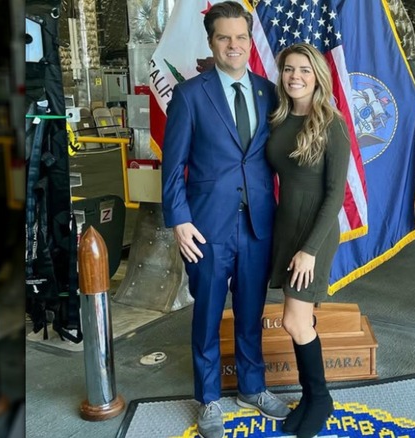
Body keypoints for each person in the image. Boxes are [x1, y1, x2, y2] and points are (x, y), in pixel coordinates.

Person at [160, 2, 289, 437]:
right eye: (223, 38)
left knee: (251, 313)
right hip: (206, 228)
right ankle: (209, 398)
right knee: (208, 316)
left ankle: (253, 388)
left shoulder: (268, 92)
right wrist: (179, 220)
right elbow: (173, 165)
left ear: (248, 40)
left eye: (240, 37)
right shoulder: (190, 95)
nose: (233, 45)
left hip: (257, 225)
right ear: (211, 41)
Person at [266, 43, 351, 438]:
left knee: (294, 319)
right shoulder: (280, 119)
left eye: (303, 69)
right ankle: (312, 396)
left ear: (317, 75)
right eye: (288, 69)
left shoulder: (331, 123)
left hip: (314, 234)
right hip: (285, 227)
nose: (294, 76)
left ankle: (320, 398)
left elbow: (335, 194)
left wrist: (309, 250)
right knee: (298, 318)